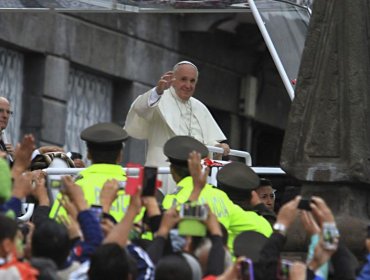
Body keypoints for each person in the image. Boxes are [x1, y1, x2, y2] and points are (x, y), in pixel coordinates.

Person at [124, 61, 230, 194]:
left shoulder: (199, 107)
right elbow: (141, 109)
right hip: (164, 170)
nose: (188, 85)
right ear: (173, 80)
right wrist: (157, 91)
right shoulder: (158, 98)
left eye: (192, 81)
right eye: (183, 79)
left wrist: (218, 147)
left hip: (192, 176)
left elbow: (205, 142)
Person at [161, 136, 272, 254]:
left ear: (173, 170)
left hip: (190, 265)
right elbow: (264, 228)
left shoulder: (172, 199)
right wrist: (261, 207)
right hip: (221, 263)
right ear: (198, 167)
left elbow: (164, 238)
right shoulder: (220, 196)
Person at [49, 122, 131, 222]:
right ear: (120, 156)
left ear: (88, 154)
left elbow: (58, 224)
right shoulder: (134, 189)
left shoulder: (73, 187)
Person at [0, 96, 14, 162]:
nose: (5, 116)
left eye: (8, 112)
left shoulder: (3, 142)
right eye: (0, 111)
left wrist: (15, 158)